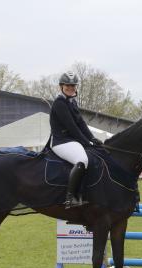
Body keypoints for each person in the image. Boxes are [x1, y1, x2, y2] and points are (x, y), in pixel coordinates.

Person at [48, 71, 103, 208]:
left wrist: (92, 138)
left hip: (72, 142)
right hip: (60, 142)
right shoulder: (59, 103)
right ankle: (70, 198)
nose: (71, 88)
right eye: (68, 85)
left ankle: (84, 193)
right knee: (82, 160)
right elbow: (71, 127)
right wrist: (87, 143)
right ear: (61, 86)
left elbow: (81, 124)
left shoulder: (72, 102)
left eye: (73, 86)